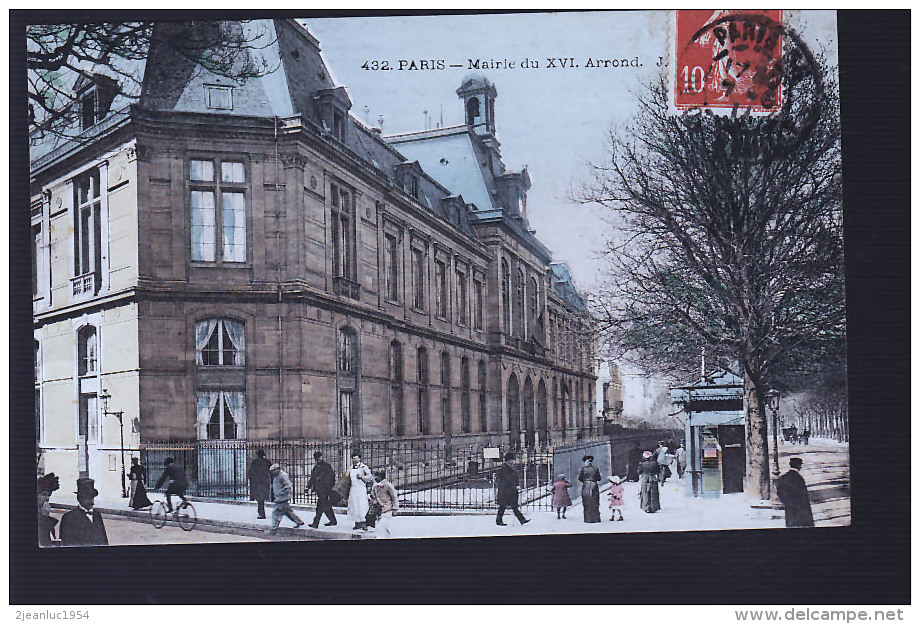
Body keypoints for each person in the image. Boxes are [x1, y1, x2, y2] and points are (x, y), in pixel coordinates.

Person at [59, 478, 108, 547]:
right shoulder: (69, 518)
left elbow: (104, 540)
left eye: (92, 498)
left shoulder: (97, 515)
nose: (91, 501)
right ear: (79, 499)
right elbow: (66, 542)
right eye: (87, 498)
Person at [775, 457, 814, 528]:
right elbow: (803, 495)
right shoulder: (798, 478)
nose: (801, 467)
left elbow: (779, 492)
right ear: (797, 465)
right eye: (800, 465)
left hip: (789, 508)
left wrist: (786, 502)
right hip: (801, 509)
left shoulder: (783, 477)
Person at [268, 463, 305, 533]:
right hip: (280, 497)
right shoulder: (277, 476)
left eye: (273, 471)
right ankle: (299, 521)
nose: (272, 472)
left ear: (277, 469)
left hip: (282, 498)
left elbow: (288, 485)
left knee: (276, 513)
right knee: (288, 512)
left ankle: (273, 529)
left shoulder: (282, 475)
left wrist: (281, 493)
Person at [496, 452, 530, 526]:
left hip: (510, 490)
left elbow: (514, 478)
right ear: (508, 460)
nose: (513, 461)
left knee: (512, 506)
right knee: (504, 506)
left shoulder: (510, 468)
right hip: (506, 490)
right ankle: (499, 520)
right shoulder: (505, 468)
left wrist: (516, 485)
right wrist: (514, 486)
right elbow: (508, 479)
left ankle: (522, 519)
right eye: (512, 459)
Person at [307, 450, 337, 528]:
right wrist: (308, 486)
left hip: (325, 490)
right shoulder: (316, 467)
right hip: (319, 490)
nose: (317, 460)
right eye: (316, 459)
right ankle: (333, 521)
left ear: (321, 457)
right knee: (326, 506)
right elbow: (312, 478)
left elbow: (332, 478)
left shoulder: (327, 466)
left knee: (319, 506)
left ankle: (316, 523)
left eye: (318, 458)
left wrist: (329, 488)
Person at [347, 453, 374, 531]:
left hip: (361, 489)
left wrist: (362, 477)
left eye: (356, 458)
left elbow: (370, 477)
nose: (355, 460)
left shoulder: (363, 467)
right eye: (353, 458)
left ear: (359, 459)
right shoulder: (351, 467)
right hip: (353, 489)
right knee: (354, 505)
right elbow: (347, 477)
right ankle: (357, 523)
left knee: (362, 505)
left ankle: (364, 523)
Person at [371, 470, 399, 538]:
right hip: (378, 509)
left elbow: (394, 497)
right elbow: (373, 495)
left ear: (381, 477)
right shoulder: (375, 486)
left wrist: (395, 508)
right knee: (379, 527)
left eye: (376, 476)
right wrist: (373, 500)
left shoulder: (388, 485)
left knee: (382, 526)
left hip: (387, 509)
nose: (375, 478)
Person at [247, 448, 272, 520]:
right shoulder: (267, 462)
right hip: (265, 482)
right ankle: (261, 513)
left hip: (257, 483)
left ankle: (261, 513)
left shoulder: (255, 462)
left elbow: (251, 473)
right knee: (262, 498)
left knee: (260, 499)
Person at [37, 472, 60, 547]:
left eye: (49, 495)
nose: (47, 498)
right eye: (44, 494)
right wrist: (45, 515)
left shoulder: (41, 509)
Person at [578, 455, 602, 523]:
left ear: (586, 461)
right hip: (594, 485)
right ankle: (596, 518)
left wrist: (585, 481)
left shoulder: (583, 469)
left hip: (586, 486)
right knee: (595, 502)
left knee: (586, 502)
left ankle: (588, 519)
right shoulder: (596, 468)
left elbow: (580, 478)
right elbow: (599, 478)